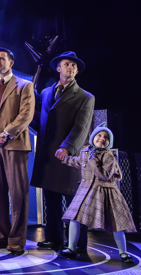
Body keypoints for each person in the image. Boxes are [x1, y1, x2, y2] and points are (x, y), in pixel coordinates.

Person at [30, 51, 94, 252]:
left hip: (69, 158)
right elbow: (43, 122)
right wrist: (26, 118)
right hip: (49, 155)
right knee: (52, 201)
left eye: (74, 65)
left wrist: (67, 147)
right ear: (58, 68)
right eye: (67, 64)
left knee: (75, 202)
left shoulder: (85, 97)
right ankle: (54, 238)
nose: (71, 68)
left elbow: (81, 127)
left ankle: (77, 244)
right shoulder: (47, 92)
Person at [0, 47, 35, 254]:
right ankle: (1, 236)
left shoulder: (25, 85)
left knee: (18, 193)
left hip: (15, 145)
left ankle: (17, 239)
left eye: (1, 59)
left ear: (11, 63)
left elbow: (26, 114)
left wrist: (6, 133)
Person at [57, 127, 136, 263]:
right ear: (93, 137)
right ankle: (71, 249)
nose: (102, 139)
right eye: (99, 135)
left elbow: (104, 175)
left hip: (106, 191)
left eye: (106, 137)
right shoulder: (86, 151)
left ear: (109, 142)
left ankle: (123, 253)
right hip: (86, 190)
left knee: (117, 223)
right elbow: (77, 162)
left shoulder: (108, 155)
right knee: (74, 217)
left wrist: (92, 160)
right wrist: (64, 158)